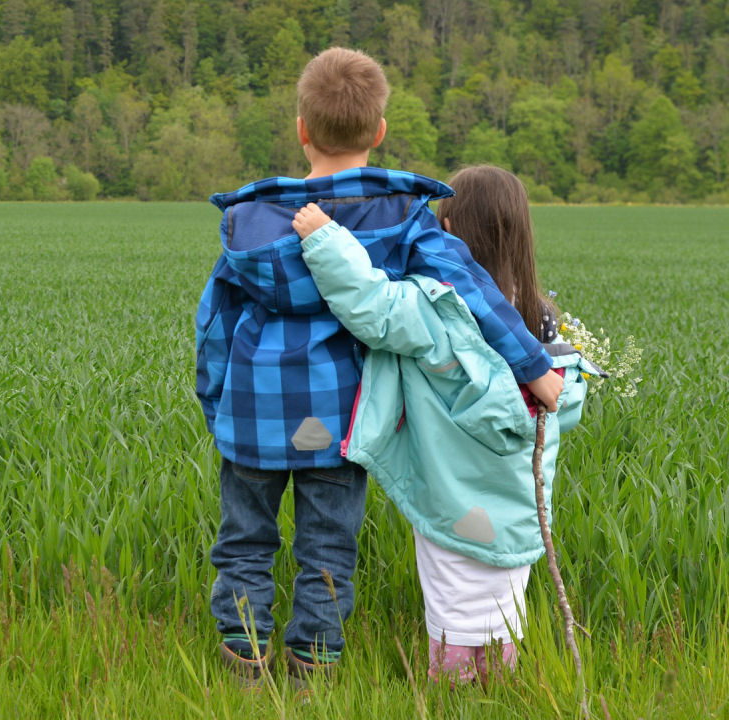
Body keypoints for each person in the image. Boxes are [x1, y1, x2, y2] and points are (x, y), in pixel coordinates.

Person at [195, 48, 565, 688]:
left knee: (244, 539)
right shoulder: (401, 217)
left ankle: (244, 656)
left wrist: (216, 402)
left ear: (302, 130)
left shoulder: (250, 223)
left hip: (252, 414)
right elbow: (472, 290)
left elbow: (215, 325)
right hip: (341, 417)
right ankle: (313, 665)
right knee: (328, 548)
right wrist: (534, 366)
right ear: (381, 132)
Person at [290, 165, 595, 685]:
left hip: (451, 497)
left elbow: (372, 304)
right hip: (519, 505)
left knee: (453, 603)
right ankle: (500, 692)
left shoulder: (440, 308)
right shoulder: (543, 322)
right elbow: (560, 402)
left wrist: (325, 239)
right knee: (503, 606)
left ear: (446, 233)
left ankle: (449, 693)